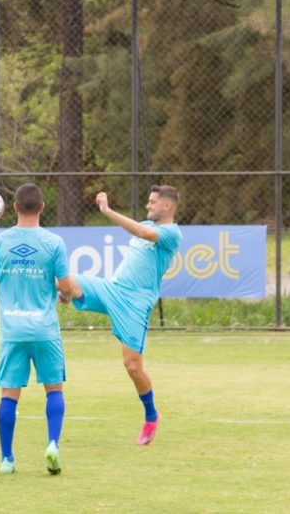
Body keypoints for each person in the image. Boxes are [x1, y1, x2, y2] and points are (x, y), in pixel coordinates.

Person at [61, 185, 182, 446]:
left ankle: (151, 415)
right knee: (65, 280)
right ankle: (66, 295)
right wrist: (67, 291)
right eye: (148, 201)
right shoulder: (144, 224)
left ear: (167, 206)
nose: (148, 206)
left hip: (136, 304)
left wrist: (106, 210)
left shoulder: (171, 233)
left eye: (152, 202)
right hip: (112, 290)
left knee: (132, 366)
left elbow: (141, 231)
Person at [0, 183, 74, 475]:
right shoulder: (54, 242)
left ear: (14, 208)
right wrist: (63, 293)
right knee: (54, 388)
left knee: (8, 396)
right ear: (42, 207)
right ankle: (52, 444)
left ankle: (7, 460)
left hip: (12, 331)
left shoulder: (0, 242)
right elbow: (65, 285)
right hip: (45, 330)